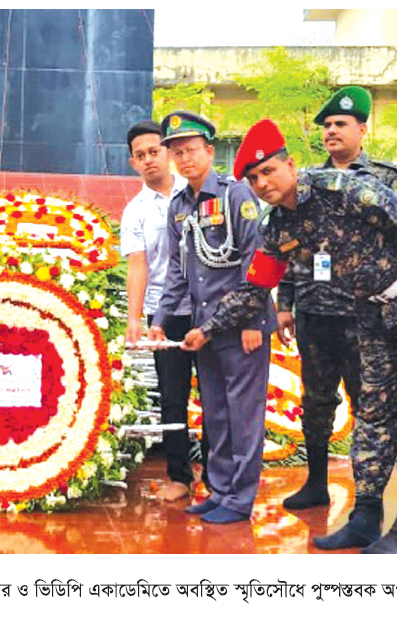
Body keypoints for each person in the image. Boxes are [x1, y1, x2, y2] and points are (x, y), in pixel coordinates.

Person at [219, 118, 397, 553]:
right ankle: (365, 517)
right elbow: (255, 288)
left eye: (268, 170)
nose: (262, 183)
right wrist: (206, 329)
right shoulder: (280, 228)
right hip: (369, 312)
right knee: (374, 415)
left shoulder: (345, 190)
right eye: (253, 178)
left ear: (290, 164)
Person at [274, 86, 397, 510]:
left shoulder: (385, 180)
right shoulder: (306, 184)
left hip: (364, 315)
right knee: (316, 401)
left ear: (363, 129)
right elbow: (293, 247)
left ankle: (366, 501)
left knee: (369, 405)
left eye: (340, 124)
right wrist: (284, 304)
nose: (331, 131)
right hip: (315, 310)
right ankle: (315, 483)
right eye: (327, 126)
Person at [149, 111, 275, 524]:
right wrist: (162, 319)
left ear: (209, 150)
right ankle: (220, 491)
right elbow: (178, 271)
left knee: (243, 416)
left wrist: (254, 323)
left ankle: (240, 499)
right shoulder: (180, 206)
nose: (184, 159)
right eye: (177, 152)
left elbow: (255, 266)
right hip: (204, 328)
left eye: (191, 150)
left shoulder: (236, 195)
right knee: (216, 414)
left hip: (240, 329)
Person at [121, 120, 194, 502]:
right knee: (172, 396)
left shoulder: (199, 193)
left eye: (154, 151)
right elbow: (138, 265)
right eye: (140, 155)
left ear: (168, 152)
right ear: (133, 162)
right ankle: (179, 477)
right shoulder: (135, 211)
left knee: (215, 394)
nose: (149, 159)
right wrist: (136, 318)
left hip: (206, 310)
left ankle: (220, 476)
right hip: (163, 317)